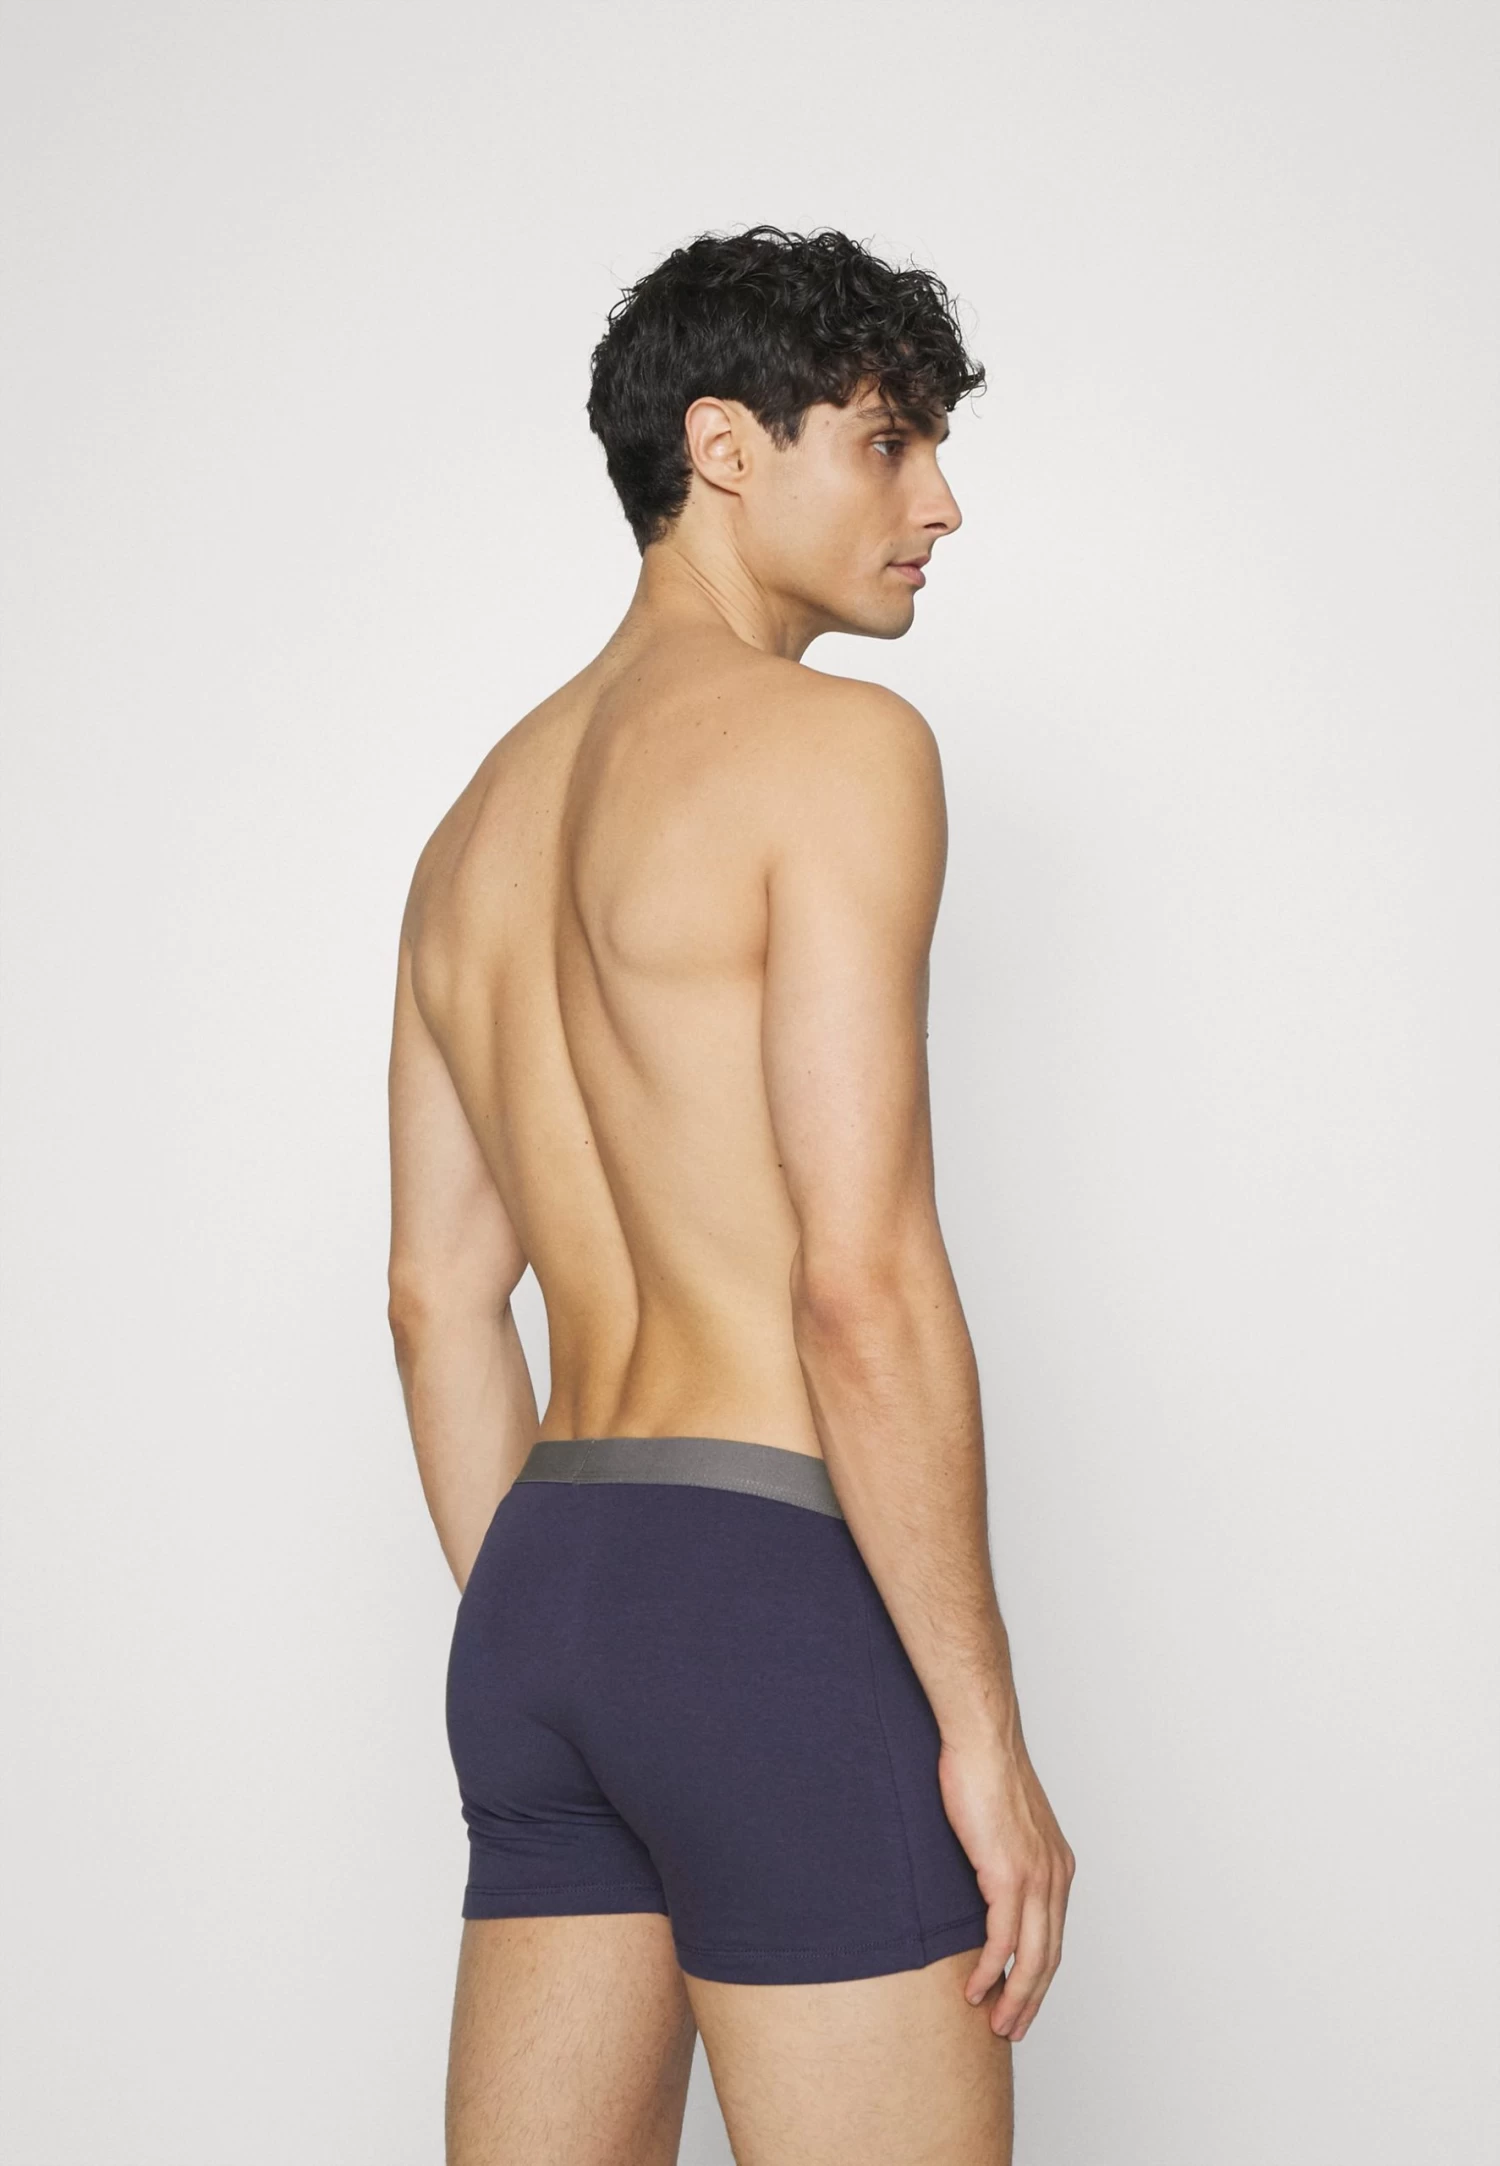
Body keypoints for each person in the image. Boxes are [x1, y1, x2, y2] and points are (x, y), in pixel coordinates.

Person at [386, 223, 1075, 2166]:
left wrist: (586, 1634)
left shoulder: (471, 828)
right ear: (723, 447)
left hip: (542, 1603)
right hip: (762, 1585)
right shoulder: (838, 754)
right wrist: (983, 1732)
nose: (940, 505)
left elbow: (436, 1299)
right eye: (887, 443)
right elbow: (858, 1278)